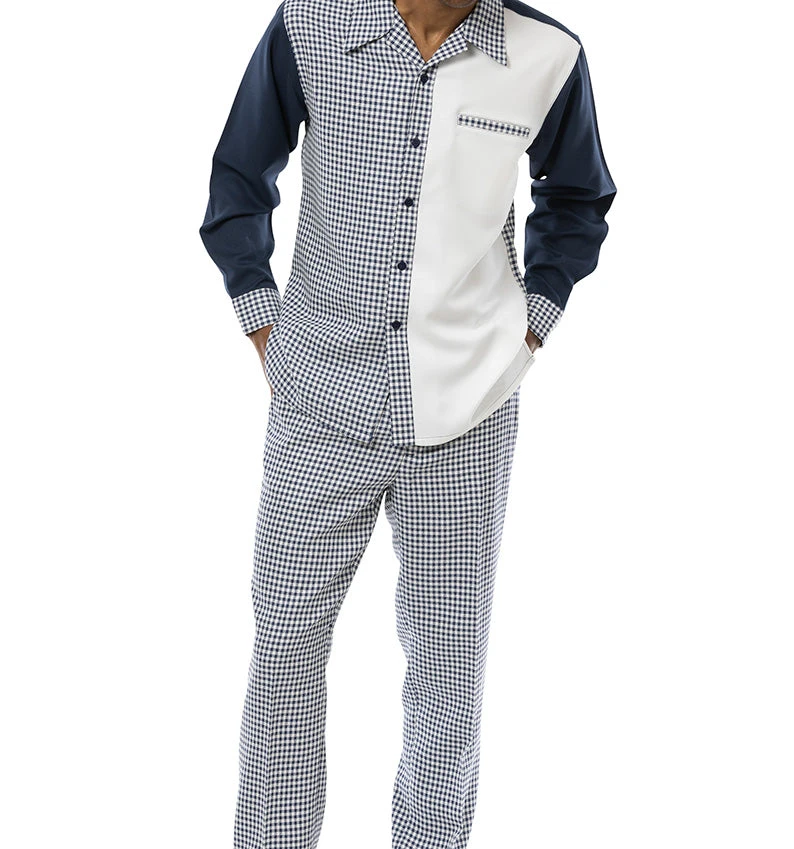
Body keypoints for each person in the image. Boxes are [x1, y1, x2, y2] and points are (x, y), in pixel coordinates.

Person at [199, 0, 616, 845]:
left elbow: (577, 200)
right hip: (319, 400)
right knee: (283, 657)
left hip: (469, 410)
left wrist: (530, 326)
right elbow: (239, 177)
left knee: (447, 680)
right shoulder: (311, 22)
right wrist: (262, 320)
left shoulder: (549, 54)